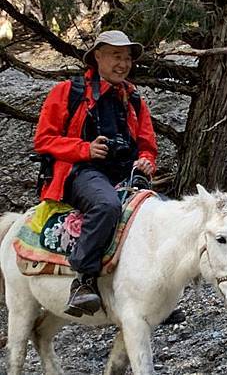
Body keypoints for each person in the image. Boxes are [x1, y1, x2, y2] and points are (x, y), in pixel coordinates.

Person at [34, 30, 157, 317]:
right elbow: (43, 140)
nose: (123, 64)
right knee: (106, 205)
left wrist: (146, 162)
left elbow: (147, 146)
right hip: (80, 172)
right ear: (97, 56)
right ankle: (83, 281)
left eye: (127, 58)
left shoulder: (134, 99)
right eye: (116, 56)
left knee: (157, 213)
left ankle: (151, 292)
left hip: (124, 174)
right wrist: (84, 149)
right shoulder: (67, 91)